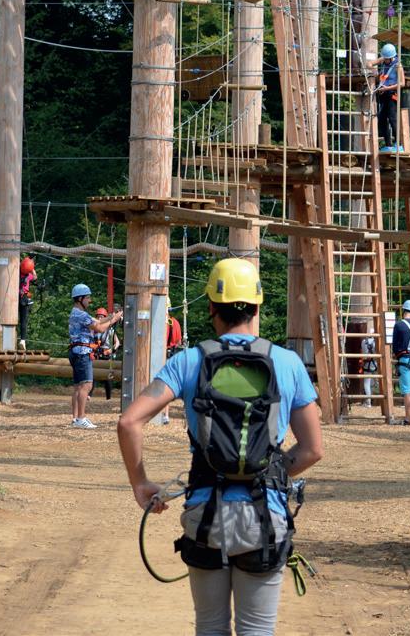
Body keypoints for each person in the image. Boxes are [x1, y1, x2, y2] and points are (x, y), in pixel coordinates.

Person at [118, 258, 323, 636]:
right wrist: (269, 472)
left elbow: (129, 422)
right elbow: (312, 449)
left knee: (210, 627)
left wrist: (140, 483)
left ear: (212, 306)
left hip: (205, 514)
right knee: (256, 629)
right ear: (257, 306)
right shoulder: (288, 363)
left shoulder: (189, 361)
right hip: (265, 518)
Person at [68, 284, 123, 429]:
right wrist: (114, 320)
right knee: (86, 385)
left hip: (76, 351)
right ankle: (81, 418)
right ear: (80, 298)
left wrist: (111, 317)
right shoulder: (81, 315)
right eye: (87, 298)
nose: (89, 300)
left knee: (78, 387)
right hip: (82, 353)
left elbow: (98, 321)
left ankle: (76, 418)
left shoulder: (76, 313)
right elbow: (99, 328)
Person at [367, 43, 405, 153]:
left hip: (392, 94)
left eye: (387, 59)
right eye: (384, 58)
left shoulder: (398, 66)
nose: (385, 60)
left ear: (391, 57)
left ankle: (399, 144)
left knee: (392, 118)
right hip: (383, 94)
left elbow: (402, 83)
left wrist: (387, 88)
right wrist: (372, 68)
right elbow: (370, 63)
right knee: (382, 119)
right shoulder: (383, 59)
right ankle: (388, 145)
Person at [89, 306, 122, 401]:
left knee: (107, 377)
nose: (100, 318)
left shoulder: (110, 330)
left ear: (105, 317)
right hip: (96, 354)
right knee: (93, 375)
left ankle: (108, 397)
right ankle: (89, 395)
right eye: (98, 316)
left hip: (106, 355)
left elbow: (117, 343)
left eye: (102, 316)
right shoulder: (93, 329)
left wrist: (111, 350)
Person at [160, 298, 184, 424]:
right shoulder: (175, 323)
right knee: (168, 385)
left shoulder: (159, 323)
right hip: (173, 356)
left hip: (161, 356)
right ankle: (166, 415)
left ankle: (162, 414)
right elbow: (179, 342)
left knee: (160, 385)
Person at [18, 257, 37, 351]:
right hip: (24, 298)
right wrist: (32, 268)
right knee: (23, 320)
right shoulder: (29, 276)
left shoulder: (16, 274)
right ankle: (22, 340)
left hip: (14, 298)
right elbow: (35, 277)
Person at [360, 335, 378, 408]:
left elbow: (363, 353)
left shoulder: (364, 341)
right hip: (375, 363)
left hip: (367, 364)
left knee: (367, 383)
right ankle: (371, 400)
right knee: (372, 382)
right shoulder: (376, 341)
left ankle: (368, 402)